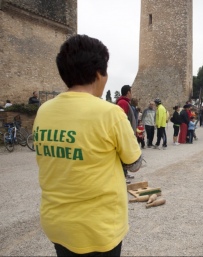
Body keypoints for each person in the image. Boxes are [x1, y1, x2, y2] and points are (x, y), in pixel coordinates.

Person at [34, 34, 142, 256]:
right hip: (97, 228)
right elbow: (134, 164)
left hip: (57, 223)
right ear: (98, 74)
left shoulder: (44, 111)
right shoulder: (110, 113)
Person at [116, 85, 137, 182]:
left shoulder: (124, 102)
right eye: (131, 92)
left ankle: (125, 174)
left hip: (127, 132)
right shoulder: (123, 103)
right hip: (124, 133)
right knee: (122, 156)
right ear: (128, 92)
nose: (131, 94)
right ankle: (122, 177)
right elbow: (121, 119)